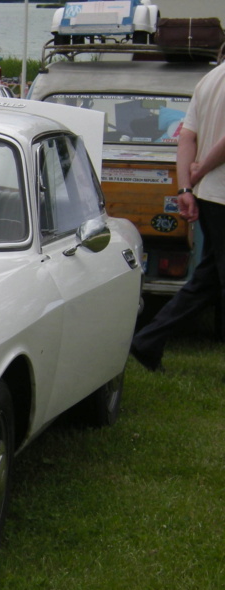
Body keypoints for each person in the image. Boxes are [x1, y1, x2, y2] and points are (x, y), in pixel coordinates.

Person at [130, 63, 225, 372]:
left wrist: (185, 186)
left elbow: (187, 137)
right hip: (219, 188)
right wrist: (202, 170)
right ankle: (147, 341)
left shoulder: (210, 78)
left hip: (210, 195)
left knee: (207, 280)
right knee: (210, 279)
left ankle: (148, 341)